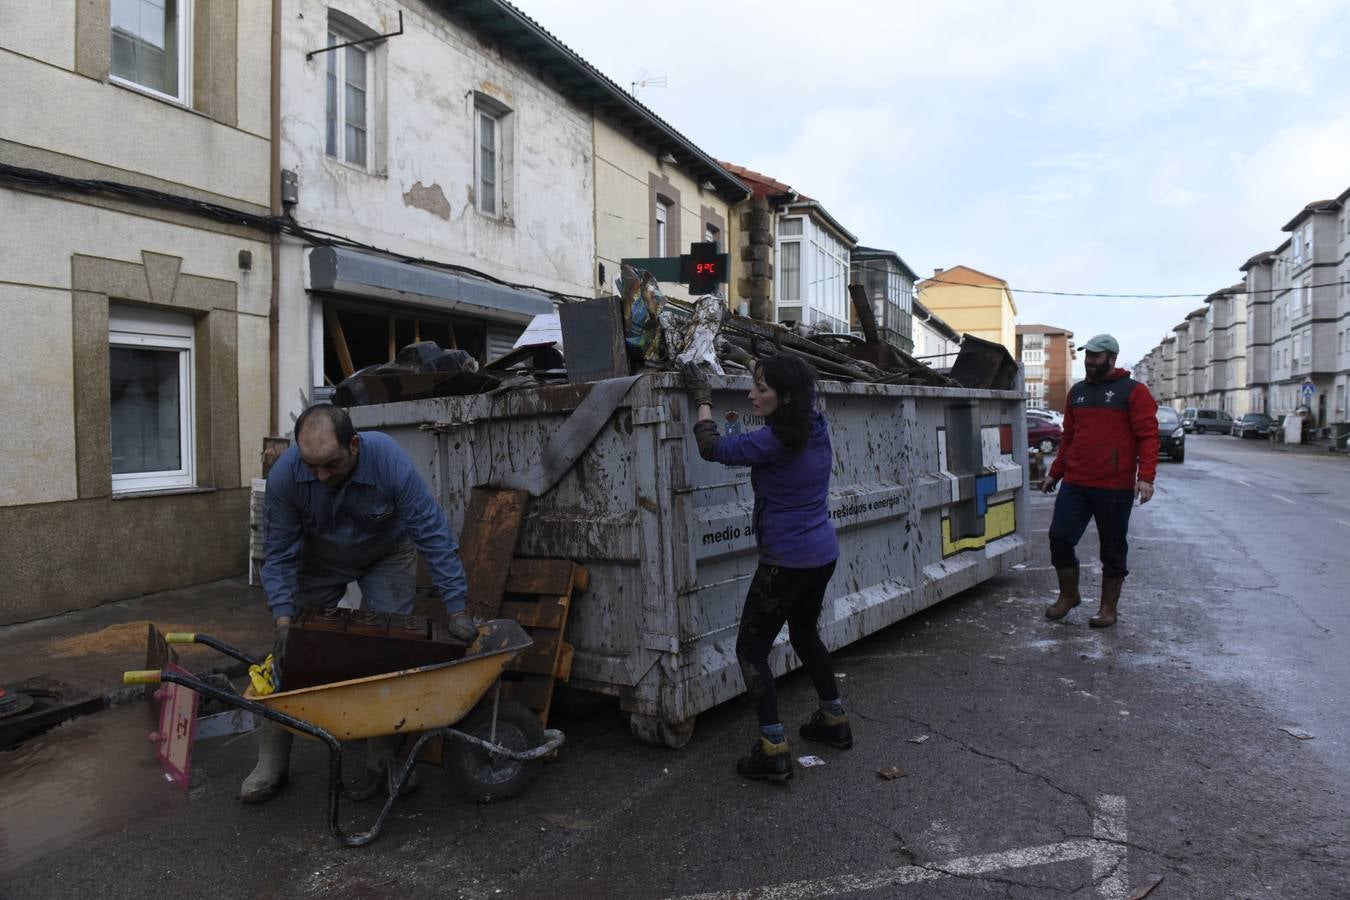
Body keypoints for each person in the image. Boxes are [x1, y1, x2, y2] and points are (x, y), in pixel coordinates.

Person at [242, 404, 478, 803]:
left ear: (354, 445)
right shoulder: (286, 475)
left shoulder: (387, 461)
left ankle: (382, 758)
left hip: (385, 554)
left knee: (386, 652)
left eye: (330, 464)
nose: (320, 475)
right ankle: (272, 759)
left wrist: (457, 607)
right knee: (290, 650)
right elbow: (278, 554)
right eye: (311, 466)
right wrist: (283, 621)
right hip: (319, 561)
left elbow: (432, 533)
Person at [682, 355, 849, 783]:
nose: (752, 395)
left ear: (786, 396)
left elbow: (712, 446)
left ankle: (773, 748)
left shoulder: (772, 442)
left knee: (751, 651)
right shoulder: (816, 427)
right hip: (821, 555)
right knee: (805, 633)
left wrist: (702, 400)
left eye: (761, 389)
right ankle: (834, 720)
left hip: (786, 563)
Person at [1040, 334, 1159, 628]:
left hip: (1114, 486)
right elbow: (1069, 437)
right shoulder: (1077, 392)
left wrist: (1145, 477)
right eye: (1087, 356)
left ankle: (1108, 609)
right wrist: (1056, 472)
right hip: (1076, 483)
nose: (1089, 361)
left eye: (1095, 356)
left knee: (1113, 548)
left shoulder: (1134, 392)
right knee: (1060, 537)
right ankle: (1069, 595)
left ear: (1111, 358)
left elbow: (1148, 436)